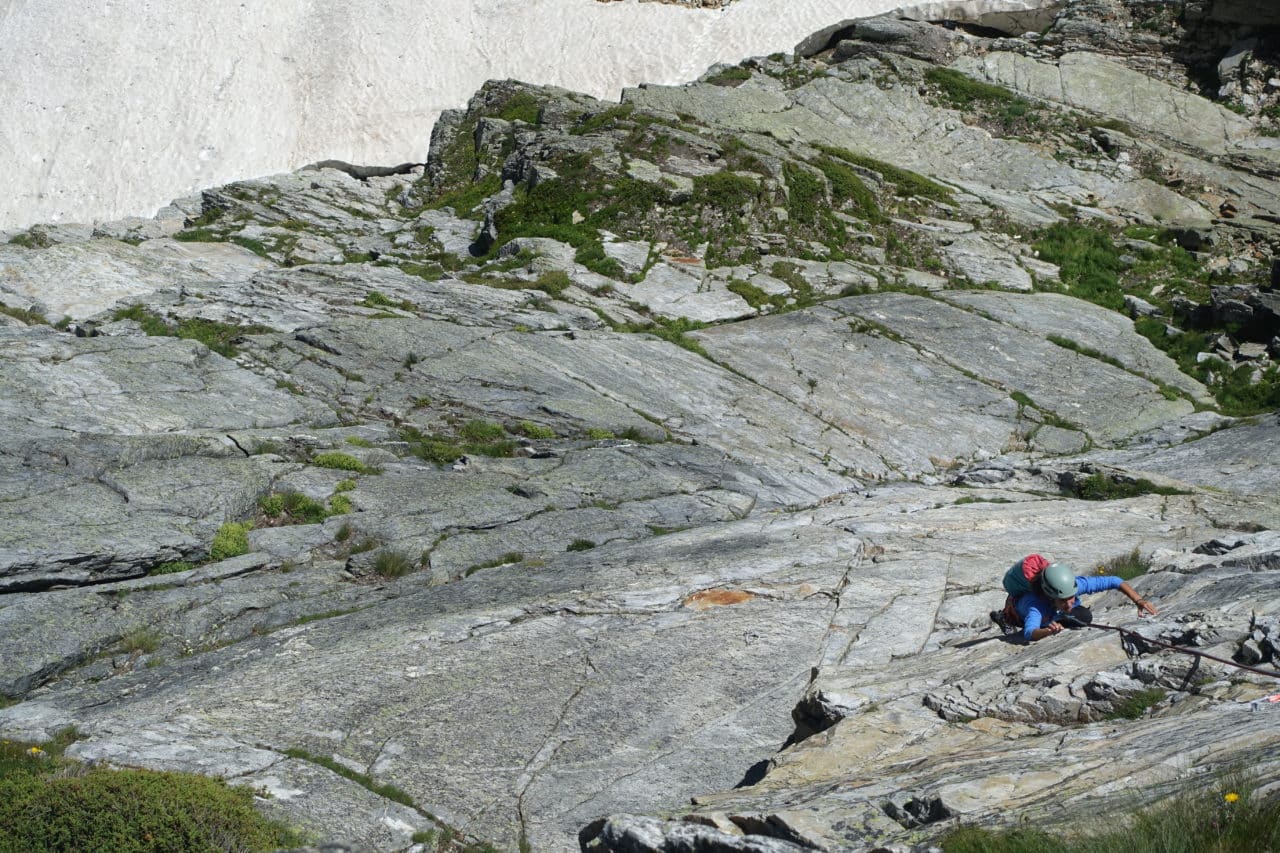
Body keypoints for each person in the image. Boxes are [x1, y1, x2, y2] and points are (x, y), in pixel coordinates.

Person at [1016, 562, 1158, 642]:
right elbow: (1029, 633)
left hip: (1053, 611)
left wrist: (1138, 600)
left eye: (1071, 597)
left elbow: (1114, 581)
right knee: (1076, 617)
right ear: (1050, 596)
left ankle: (1057, 617)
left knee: (1085, 617)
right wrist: (1046, 631)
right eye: (1063, 600)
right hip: (1022, 616)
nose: (1069, 603)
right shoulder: (1036, 606)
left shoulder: (1074, 585)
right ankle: (1004, 617)